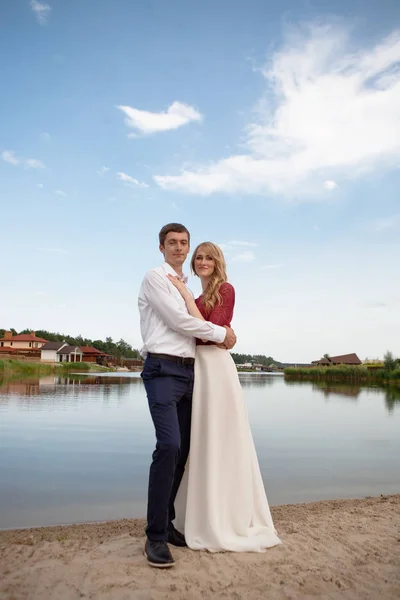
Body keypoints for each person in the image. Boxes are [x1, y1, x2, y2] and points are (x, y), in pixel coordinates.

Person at [168, 242, 282, 552]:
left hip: (217, 369)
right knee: (200, 440)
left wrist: (188, 301)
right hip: (196, 369)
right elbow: (189, 330)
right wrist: (187, 301)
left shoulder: (226, 290)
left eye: (209, 258)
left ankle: (227, 515)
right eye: (199, 258)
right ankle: (196, 515)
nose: (203, 261)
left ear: (217, 263)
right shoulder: (194, 297)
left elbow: (210, 331)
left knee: (223, 437)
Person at [138, 224, 237, 568]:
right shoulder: (156, 278)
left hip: (190, 373)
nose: (179, 248)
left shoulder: (190, 288)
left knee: (182, 452)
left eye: (184, 243)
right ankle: (155, 537)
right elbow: (180, 321)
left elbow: (192, 323)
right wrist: (223, 334)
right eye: (173, 243)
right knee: (167, 446)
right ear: (161, 247)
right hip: (163, 370)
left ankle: (167, 525)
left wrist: (217, 335)